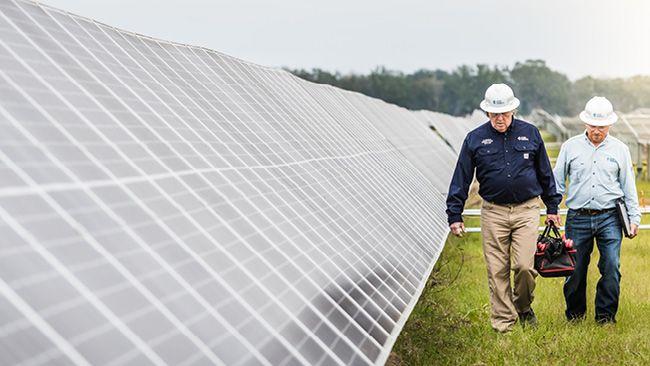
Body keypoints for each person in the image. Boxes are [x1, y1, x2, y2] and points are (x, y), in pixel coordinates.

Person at [446, 83, 562, 332]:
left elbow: (545, 173)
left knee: (524, 266)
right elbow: (461, 177)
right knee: (497, 270)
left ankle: (523, 307)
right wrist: (454, 213)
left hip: (526, 210)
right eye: (495, 114)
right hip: (494, 212)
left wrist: (552, 206)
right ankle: (503, 325)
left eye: (505, 113)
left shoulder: (530, 134)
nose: (500, 119)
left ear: (513, 110)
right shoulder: (475, 139)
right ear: (487, 113)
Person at [553, 96, 640, 324]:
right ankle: (575, 317)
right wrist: (552, 210)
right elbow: (558, 183)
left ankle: (605, 317)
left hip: (610, 217)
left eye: (601, 127)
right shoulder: (569, 147)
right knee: (574, 270)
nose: (597, 131)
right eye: (593, 126)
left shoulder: (620, 150)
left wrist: (634, 217)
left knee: (611, 266)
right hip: (578, 218)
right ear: (585, 123)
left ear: (609, 125)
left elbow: (628, 185)